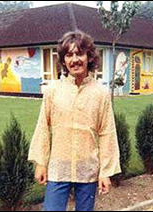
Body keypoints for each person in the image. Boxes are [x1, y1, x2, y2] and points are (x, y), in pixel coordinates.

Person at [28, 30, 121, 211]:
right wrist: (41, 163)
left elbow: (107, 133)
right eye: (69, 55)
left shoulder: (100, 93)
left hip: (87, 169)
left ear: (89, 57)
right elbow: (42, 127)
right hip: (58, 168)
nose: (75, 60)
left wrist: (105, 172)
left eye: (79, 53)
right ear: (63, 61)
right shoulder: (53, 90)